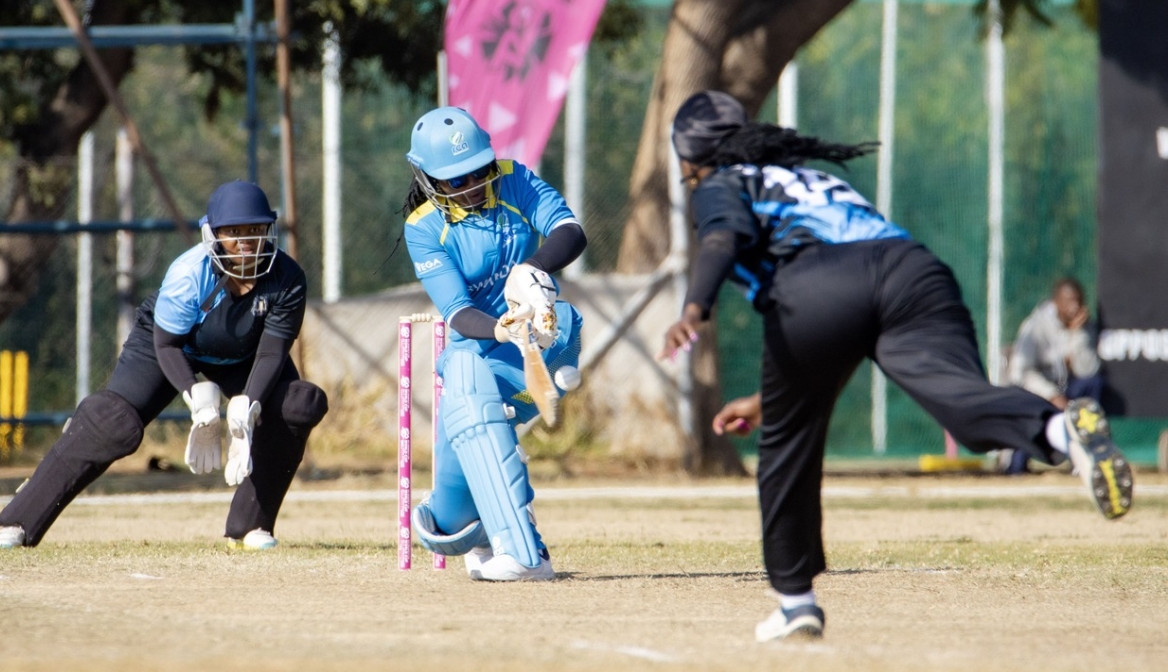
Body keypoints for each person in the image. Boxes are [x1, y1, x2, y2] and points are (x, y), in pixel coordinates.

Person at [658, 90, 1133, 641]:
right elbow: (851, 310)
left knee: (787, 446)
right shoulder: (803, 177)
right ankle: (1060, 430)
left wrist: (694, 309)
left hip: (817, 284)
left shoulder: (722, 181)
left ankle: (796, 602)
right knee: (962, 399)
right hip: (913, 270)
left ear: (691, 155)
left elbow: (723, 238)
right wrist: (773, 399)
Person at [0, 181, 328, 550]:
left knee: (298, 404)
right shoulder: (189, 273)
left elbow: (271, 353)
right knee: (111, 421)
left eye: (255, 229)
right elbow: (167, 343)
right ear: (213, 234)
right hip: (172, 345)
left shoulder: (287, 278)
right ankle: (21, 519)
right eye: (234, 232)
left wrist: (250, 404)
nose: (246, 241)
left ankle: (251, 525)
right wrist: (194, 396)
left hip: (244, 355)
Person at [401, 106, 586, 582]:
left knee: (476, 382)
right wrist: (502, 329)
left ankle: (526, 555)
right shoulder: (423, 227)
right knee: (449, 520)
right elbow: (457, 312)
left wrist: (532, 270)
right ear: (428, 179)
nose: (472, 185)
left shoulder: (513, 178)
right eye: (456, 179)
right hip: (481, 344)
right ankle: (480, 528)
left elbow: (570, 230)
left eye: (479, 171)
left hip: (544, 337)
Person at [1001, 277, 1103, 474]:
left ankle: (1085, 457)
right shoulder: (1036, 326)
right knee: (1026, 404)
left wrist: (1077, 334)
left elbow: (1088, 371)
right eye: (1069, 300)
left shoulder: (1084, 327)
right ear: (1057, 301)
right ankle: (1016, 466)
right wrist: (1051, 394)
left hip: (1066, 390)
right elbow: (1021, 372)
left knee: (1093, 384)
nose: (1075, 306)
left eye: (1078, 300)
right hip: (1037, 391)